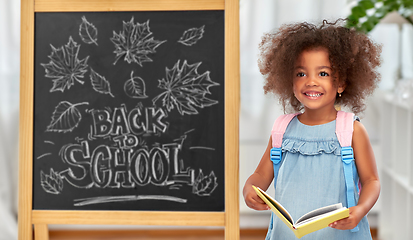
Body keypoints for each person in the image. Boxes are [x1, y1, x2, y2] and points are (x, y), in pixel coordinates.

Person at [243, 19, 381, 239]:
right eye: (301, 74)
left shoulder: (351, 130)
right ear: (290, 80)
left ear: (341, 83)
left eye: (323, 74)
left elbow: (371, 181)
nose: (311, 81)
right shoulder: (282, 128)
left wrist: (361, 209)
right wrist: (250, 188)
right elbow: (260, 175)